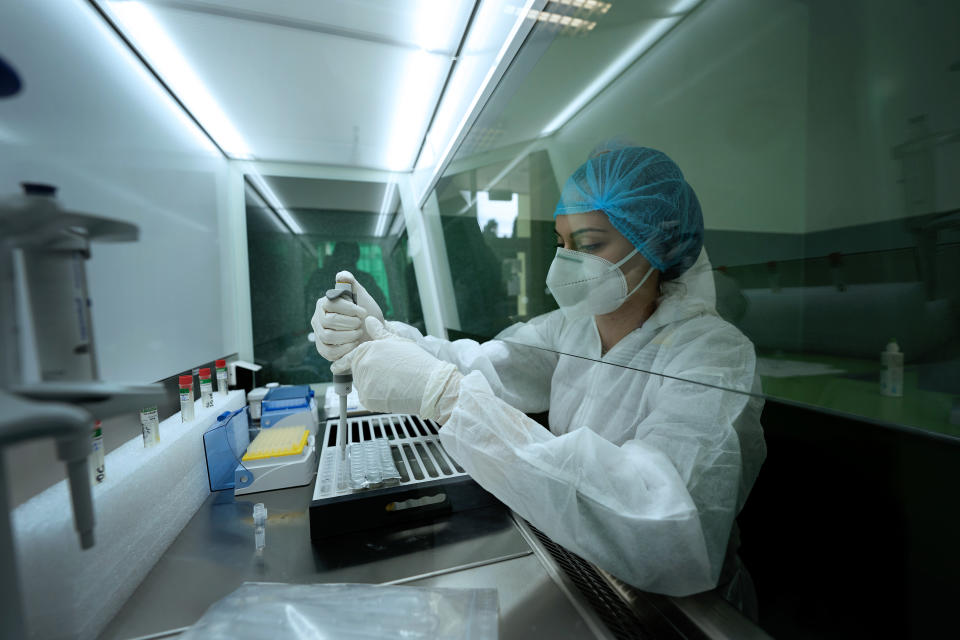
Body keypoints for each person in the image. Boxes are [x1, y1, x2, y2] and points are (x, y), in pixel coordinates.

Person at [311, 146, 766, 613]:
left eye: (588, 245)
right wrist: (384, 334)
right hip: (585, 564)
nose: (566, 261)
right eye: (561, 242)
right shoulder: (571, 328)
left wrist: (446, 397)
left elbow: (662, 525)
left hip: (684, 614)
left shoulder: (713, 354)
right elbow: (483, 363)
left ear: (655, 244)